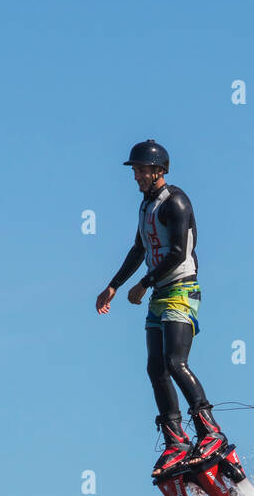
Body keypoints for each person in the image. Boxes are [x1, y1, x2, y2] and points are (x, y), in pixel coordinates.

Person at [96, 140, 228, 478]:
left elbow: (178, 254)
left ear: (159, 170)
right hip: (159, 293)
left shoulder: (176, 202)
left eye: (141, 169)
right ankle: (176, 441)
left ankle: (210, 431)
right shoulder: (145, 207)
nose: (136, 175)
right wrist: (114, 285)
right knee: (155, 367)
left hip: (181, 290)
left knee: (174, 361)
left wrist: (143, 283)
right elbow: (140, 247)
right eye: (135, 170)